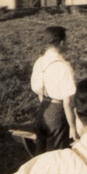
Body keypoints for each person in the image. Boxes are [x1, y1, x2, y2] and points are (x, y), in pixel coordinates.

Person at [32, 25, 78, 153]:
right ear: (62, 42)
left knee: (40, 157)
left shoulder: (39, 62)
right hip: (57, 114)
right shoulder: (64, 67)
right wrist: (73, 127)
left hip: (42, 112)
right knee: (57, 157)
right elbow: (68, 103)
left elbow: (38, 90)